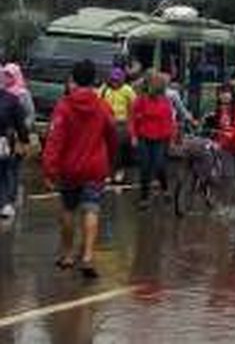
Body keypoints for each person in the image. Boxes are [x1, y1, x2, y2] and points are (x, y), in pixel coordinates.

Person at [42, 60, 118, 279]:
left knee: (68, 209)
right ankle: (87, 256)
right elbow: (112, 135)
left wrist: (49, 170)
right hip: (95, 167)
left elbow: (54, 140)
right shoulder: (102, 106)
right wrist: (110, 160)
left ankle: (67, 254)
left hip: (69, 169)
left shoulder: (64, 106)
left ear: (73, 79)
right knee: (92, 209)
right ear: (94, 80)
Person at [129, 72, 175, 209]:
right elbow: (133, 120)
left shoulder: (165, 102)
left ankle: (165, 187)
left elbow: (170, 122)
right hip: (144, 137)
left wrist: (171, 139)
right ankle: (144, 197)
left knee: (159, 164)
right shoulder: (141, 101)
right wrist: (133, 136)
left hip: (160, 138)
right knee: (145, 167)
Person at [206, 83, 235, 201]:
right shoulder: (218, 111)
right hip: (226, 148)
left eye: (226, 92)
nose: (224, 95)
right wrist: (215, 141)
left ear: (232, 94)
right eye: (221, 93)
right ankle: (227, 202)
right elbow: (217, 130)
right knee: (228, 175)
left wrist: (234, 133)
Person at [2, 63, 35, 212]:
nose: (7, 78)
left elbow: (29, 115)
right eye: (5, 74)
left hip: (15, 138)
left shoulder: (22, 94)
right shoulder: (4, 94)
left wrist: (22, 135)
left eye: (10, 75)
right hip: (5, 139)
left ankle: (10, 199)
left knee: (12, 169)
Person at [98, 67, 137, 183]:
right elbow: (97, 100)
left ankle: (119, 169)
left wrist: (131, 126)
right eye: (113, 80)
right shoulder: (104, 89)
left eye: (117, 80)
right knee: (105, 148)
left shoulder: (127, 90)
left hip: (122, 123)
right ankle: (108, 171)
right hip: (107, 122)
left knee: (119, 147)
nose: (114, 83)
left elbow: (134, 107)